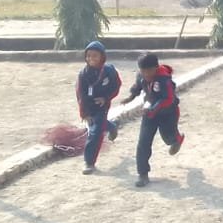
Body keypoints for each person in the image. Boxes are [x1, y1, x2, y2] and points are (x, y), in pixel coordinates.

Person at [123, 53, 183, 188]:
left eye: (149, 70)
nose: (146, 74)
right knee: (143, 142)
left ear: (156, 68)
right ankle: (143, 174)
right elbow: (138, 86)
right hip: (149, 114)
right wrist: (131, 97)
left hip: (168, 113)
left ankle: (176, 140)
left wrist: (154, 108)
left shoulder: (164, 80)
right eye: (143, 71)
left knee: (167, 136)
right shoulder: (141, 76)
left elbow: (168, 99)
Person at [75, 41, 122, 175]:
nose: (91, 58)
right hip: (89, 106)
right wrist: (84, 113)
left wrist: (106, 98)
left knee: (95, 132)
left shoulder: (109, 71)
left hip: (102, 105)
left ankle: (89, 162)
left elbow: (116, 86)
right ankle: (112, 126)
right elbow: (80, 95)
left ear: (102, 57)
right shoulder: (83, 74)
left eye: (95, 56)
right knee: (97, 125)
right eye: (88, 56)